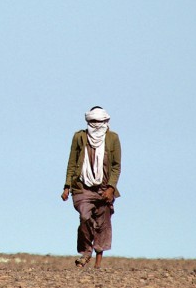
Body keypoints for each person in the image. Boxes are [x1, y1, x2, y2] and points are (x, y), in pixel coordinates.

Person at [61, 106, 121, 269]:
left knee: (103, 223)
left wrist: (111, 188)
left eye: (99, 122)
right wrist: (67, 185)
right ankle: (86, 252)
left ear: (105, 122)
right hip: (82, 187)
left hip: (104, 187)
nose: (96, 125)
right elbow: (72, 162)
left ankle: (98, 263)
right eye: (93, 122)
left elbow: (116, 166)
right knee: (85, 217)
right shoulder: (79, 137)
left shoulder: (113, 138)